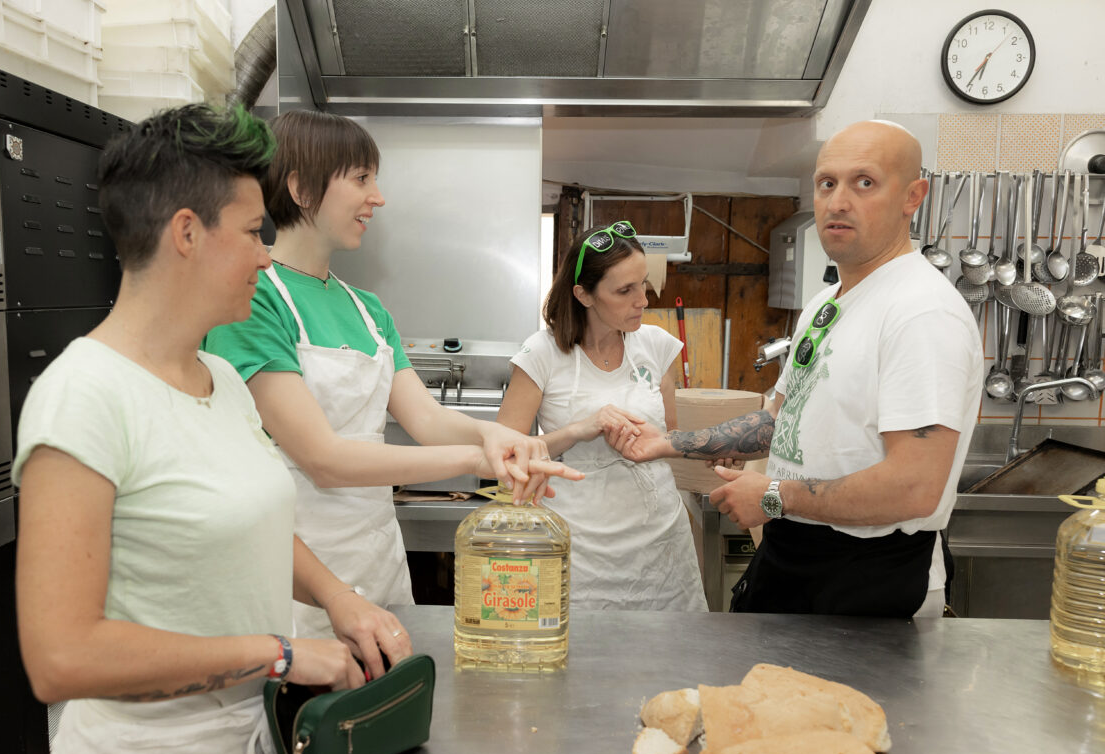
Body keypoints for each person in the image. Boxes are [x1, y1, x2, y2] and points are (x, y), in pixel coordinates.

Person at [13, 104, 413, 754]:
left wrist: (336, 596)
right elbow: (61, 657)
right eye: (255, 232)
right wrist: (281, 655)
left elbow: (250, 521)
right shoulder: (82, 396)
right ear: (187, 234)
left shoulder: (221, 379)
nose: (266, 253)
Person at [203, 110, 578, 638]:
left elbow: (425, 418)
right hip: (295, 576)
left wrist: (494, 433)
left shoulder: (368, 309)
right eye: (361, 179)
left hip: (377, 560)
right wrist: (479, 457)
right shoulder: (256, 297)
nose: (378, 197)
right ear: (301, 188)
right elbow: (322, 458)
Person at [611, 120, 981, 619]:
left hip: (871, 576)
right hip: (796, 557)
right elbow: (780, 422)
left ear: (912, 196)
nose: (838, 201)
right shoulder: (827, 304)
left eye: (864, 182)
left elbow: (914, 486)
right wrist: (667, 443)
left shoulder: (920, 312)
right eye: (827, 183)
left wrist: (773, 496)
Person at [496, 222, 709, 611]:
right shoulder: (542, 354)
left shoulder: (656, 346)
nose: (642, 300)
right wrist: (579, 430)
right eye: (624, 291)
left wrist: (700, 446)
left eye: (643, 284)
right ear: (584, 295)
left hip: (659, 546)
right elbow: (504, 453)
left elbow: (671, 435)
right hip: (580, 550)